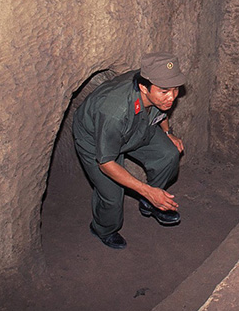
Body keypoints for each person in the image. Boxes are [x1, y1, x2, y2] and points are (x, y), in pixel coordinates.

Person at [73, 52, 186, 249]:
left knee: (168, 154)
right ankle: (103, 229)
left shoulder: (155, 81)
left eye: (175, 89)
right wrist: (146, 190)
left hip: (136, 124)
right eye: (165, 92)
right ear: (143, 88)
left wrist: (168, 133)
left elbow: (162, 109)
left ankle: (150, 203)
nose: (172, 97)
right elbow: (106, 163)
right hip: (95, 137)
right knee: (112, 196)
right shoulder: (114, 111)